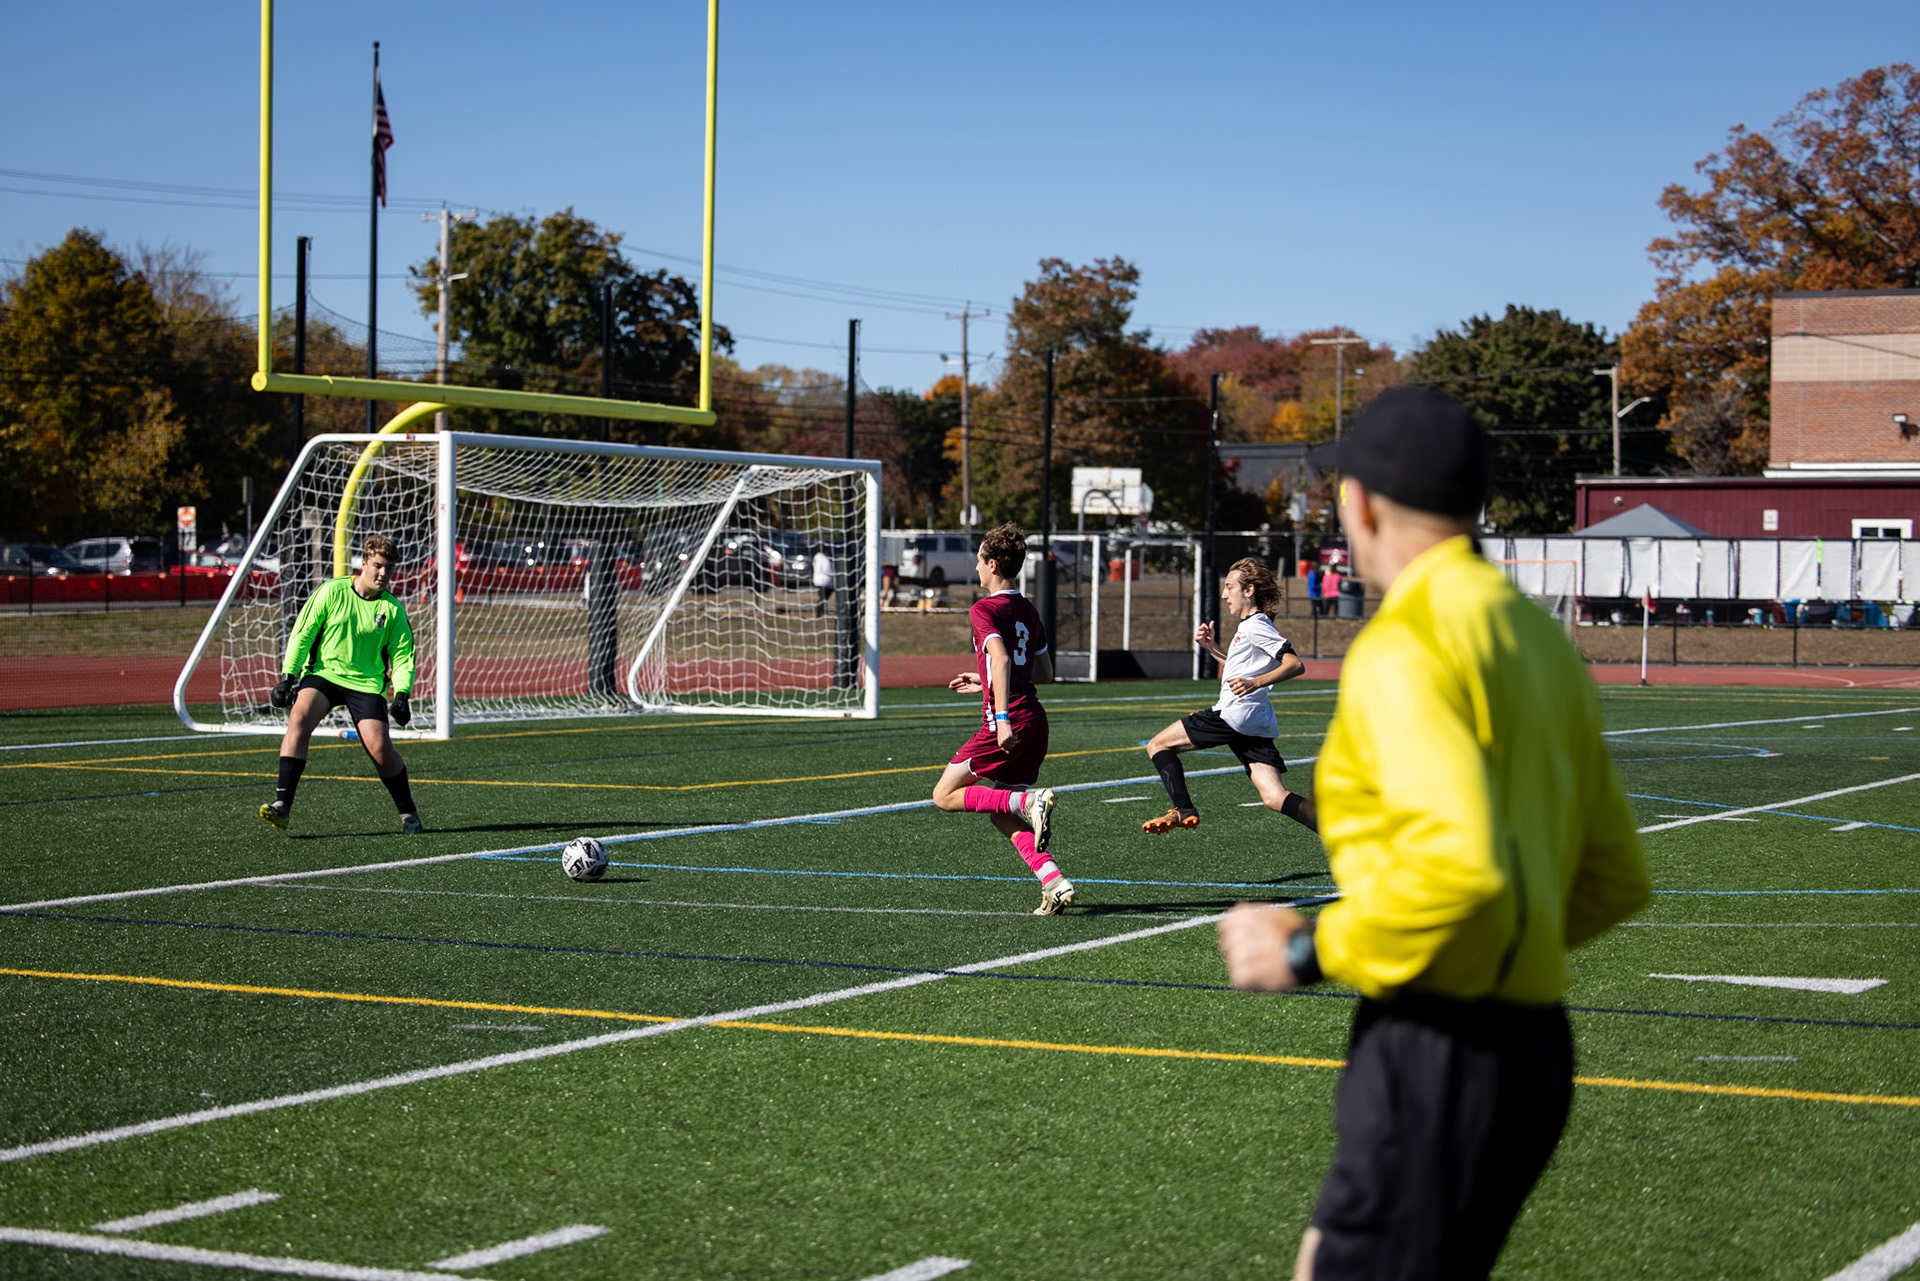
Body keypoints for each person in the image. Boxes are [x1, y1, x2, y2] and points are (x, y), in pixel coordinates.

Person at [1216, 386, 1651, 1281]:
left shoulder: (1406, 642)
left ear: (1362, 502)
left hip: (1436, 1045)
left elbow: (1458, 874)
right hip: (1534, 1050)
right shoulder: (1535, 634)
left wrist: (1307, 948)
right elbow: (1611, 877)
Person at [931, 522, 1074, 915]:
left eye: (979, 560)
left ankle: (1027, 801)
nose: (976, 567)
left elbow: (1002, 657)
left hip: (1008, 723)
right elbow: (1043, 672)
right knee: (999, 814)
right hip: (1036, 721)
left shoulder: (983, 609)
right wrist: (987, 682)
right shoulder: (1027, 608)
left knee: (943, 795)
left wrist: (1002, 715)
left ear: (993, 564)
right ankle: (1054, 881)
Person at [1140, 557, 1317, 838]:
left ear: (1249, 591)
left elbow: (1294, 664)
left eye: (1229, 587)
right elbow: (1241, 667)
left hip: (1234, 714)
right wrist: (1212, 647)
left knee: (1158, 745)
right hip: (1254, 721)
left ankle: (1183, 808)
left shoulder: (1255, 626)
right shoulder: (1251, 626)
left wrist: (1255, 682)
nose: (1224, 594)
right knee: (1274, 796)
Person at [260, 533, 425, 835]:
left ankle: (408, 813)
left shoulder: (392, 610)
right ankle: (282, 806)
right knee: (299, 717)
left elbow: (403, 656)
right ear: (363, 563)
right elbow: (303, 634)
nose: (383, 573)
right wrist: (288, 677)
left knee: (378, 748)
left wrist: (402, 695)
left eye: (389, 568)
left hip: (366, 683)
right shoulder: (331, 592)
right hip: (324, 675)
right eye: (377, 566)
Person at [812, 543, 835, 617]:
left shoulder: (816, 558)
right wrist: (833, 575)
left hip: (817, 580)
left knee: (823, 598)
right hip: (824, 581)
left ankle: (821, 612)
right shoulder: (824, 559)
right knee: (823, 598)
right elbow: (827, 570)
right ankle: (820, 612)